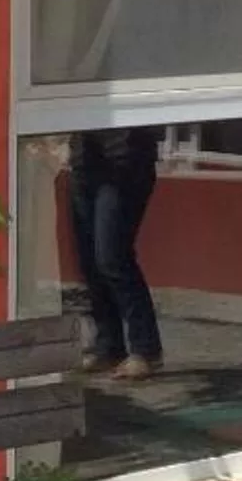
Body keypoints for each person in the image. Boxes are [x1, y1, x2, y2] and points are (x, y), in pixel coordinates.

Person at [69, 125, 164, 381]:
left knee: (112, 256)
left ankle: (146, 349)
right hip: (84, 162)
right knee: (90, 260)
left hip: (125, 161)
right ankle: (109, 346)